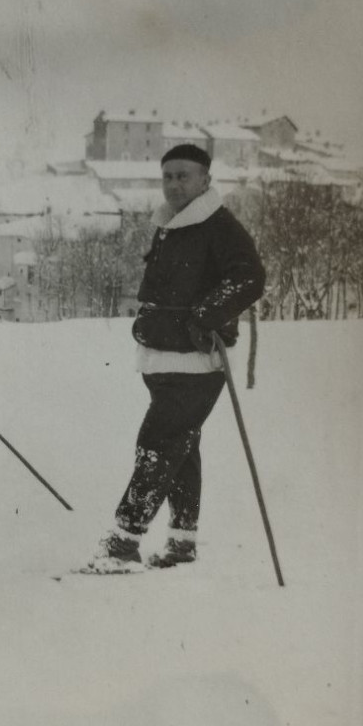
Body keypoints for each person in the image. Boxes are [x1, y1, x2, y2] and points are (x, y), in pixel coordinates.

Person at [87, 143, 265, 572]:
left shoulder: (218, 224)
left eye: (183, 176)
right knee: (180, 449)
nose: (174, 184)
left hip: (197, 362)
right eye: (167, 176)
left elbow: (250, 277)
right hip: (164, 356)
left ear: (206, 180)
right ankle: (182, 542)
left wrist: (207, 315)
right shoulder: (171, 224)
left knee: (156, 445)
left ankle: (123, 543)